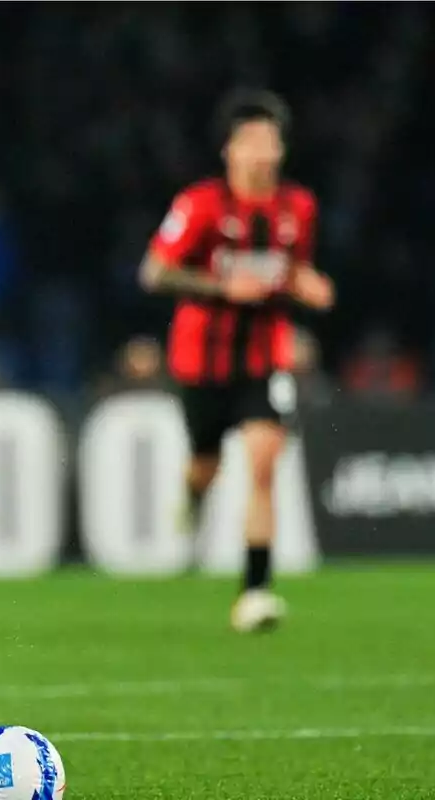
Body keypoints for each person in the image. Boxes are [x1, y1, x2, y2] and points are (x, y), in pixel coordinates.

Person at [138, 89, 334, 633]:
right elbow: (154, 272)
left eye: (270, 142)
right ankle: (193, 495)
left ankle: (254, 591)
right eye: (251, 142)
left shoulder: (299, 208)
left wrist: (308, 286)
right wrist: (222, 284)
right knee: (207, 467)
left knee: (265, 461)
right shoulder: (200, 205)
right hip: (200, 364)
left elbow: (294, 271)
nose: (262, 152)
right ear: (229, 150)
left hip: (260, 360)